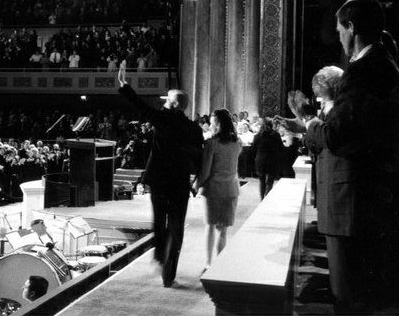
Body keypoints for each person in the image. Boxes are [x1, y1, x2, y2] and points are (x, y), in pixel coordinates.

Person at [296, 0, 399, 314]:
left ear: (352, 27)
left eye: (340, 30)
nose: (340, 38)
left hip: (355, 201)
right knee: (363, 298)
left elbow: (336, 135)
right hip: (370, 198)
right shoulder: (385, 66)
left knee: (350, 299)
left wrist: (309, 119)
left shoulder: (364, 70)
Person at [117, 62, 203, 287]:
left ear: (174, 103)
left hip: (159, 179)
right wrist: (197, 180)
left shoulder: (163, 119)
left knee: (159, 220)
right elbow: (199, 156)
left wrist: (124, 86)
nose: (164, 101)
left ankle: (159, 254)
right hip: (180, 181)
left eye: (167, 99)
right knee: (176, 224)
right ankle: (169, 270)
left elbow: (139, 105)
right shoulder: (194, 128)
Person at [193, 109, 242, 273]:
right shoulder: (238, 143)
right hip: (231, 189)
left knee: (209, 226)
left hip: (213, 190)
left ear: (218, 124)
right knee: (223, 231)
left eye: (213, 122)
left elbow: (205, 172)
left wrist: (196, 185)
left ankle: (208, 264)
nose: (210, 125)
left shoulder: (211, 144)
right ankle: (220, 266)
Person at [252, 118, 283, 199]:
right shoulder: (276, 135)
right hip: (272, 161)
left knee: (262, 181)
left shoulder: (257, 136)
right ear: (271, 125)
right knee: (270, 181)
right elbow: (281, 148)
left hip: (260, 161)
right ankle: (267, 199)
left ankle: (262, 199)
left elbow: (253, 149)